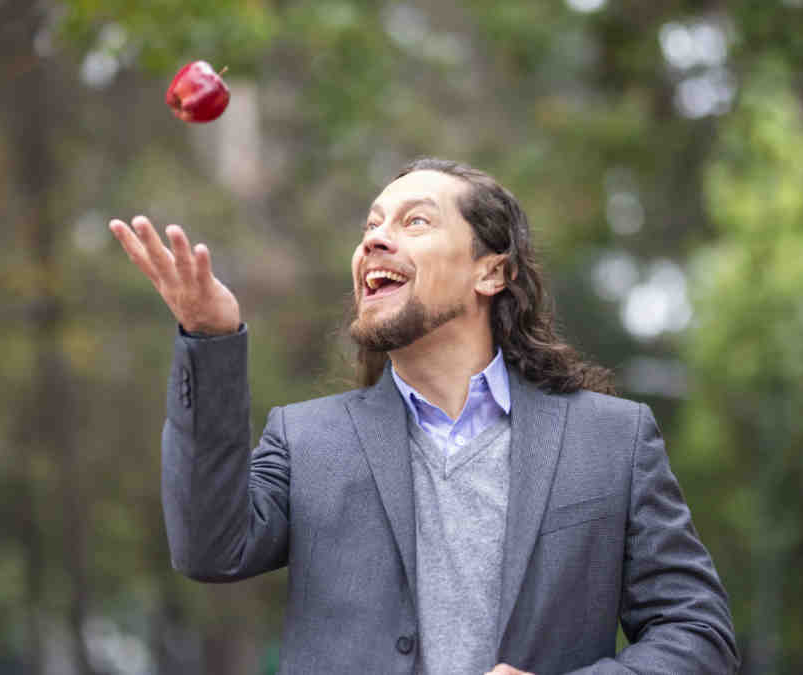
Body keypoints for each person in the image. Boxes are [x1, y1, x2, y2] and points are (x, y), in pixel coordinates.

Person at [110, 158, 739, 675]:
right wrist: (209, 342)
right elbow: (208, 548)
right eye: (372, 225)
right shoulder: (305, 441)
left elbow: (697, 633)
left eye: (415, 222)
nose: (374, 239)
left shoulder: (611, 440)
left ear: (491, 271)